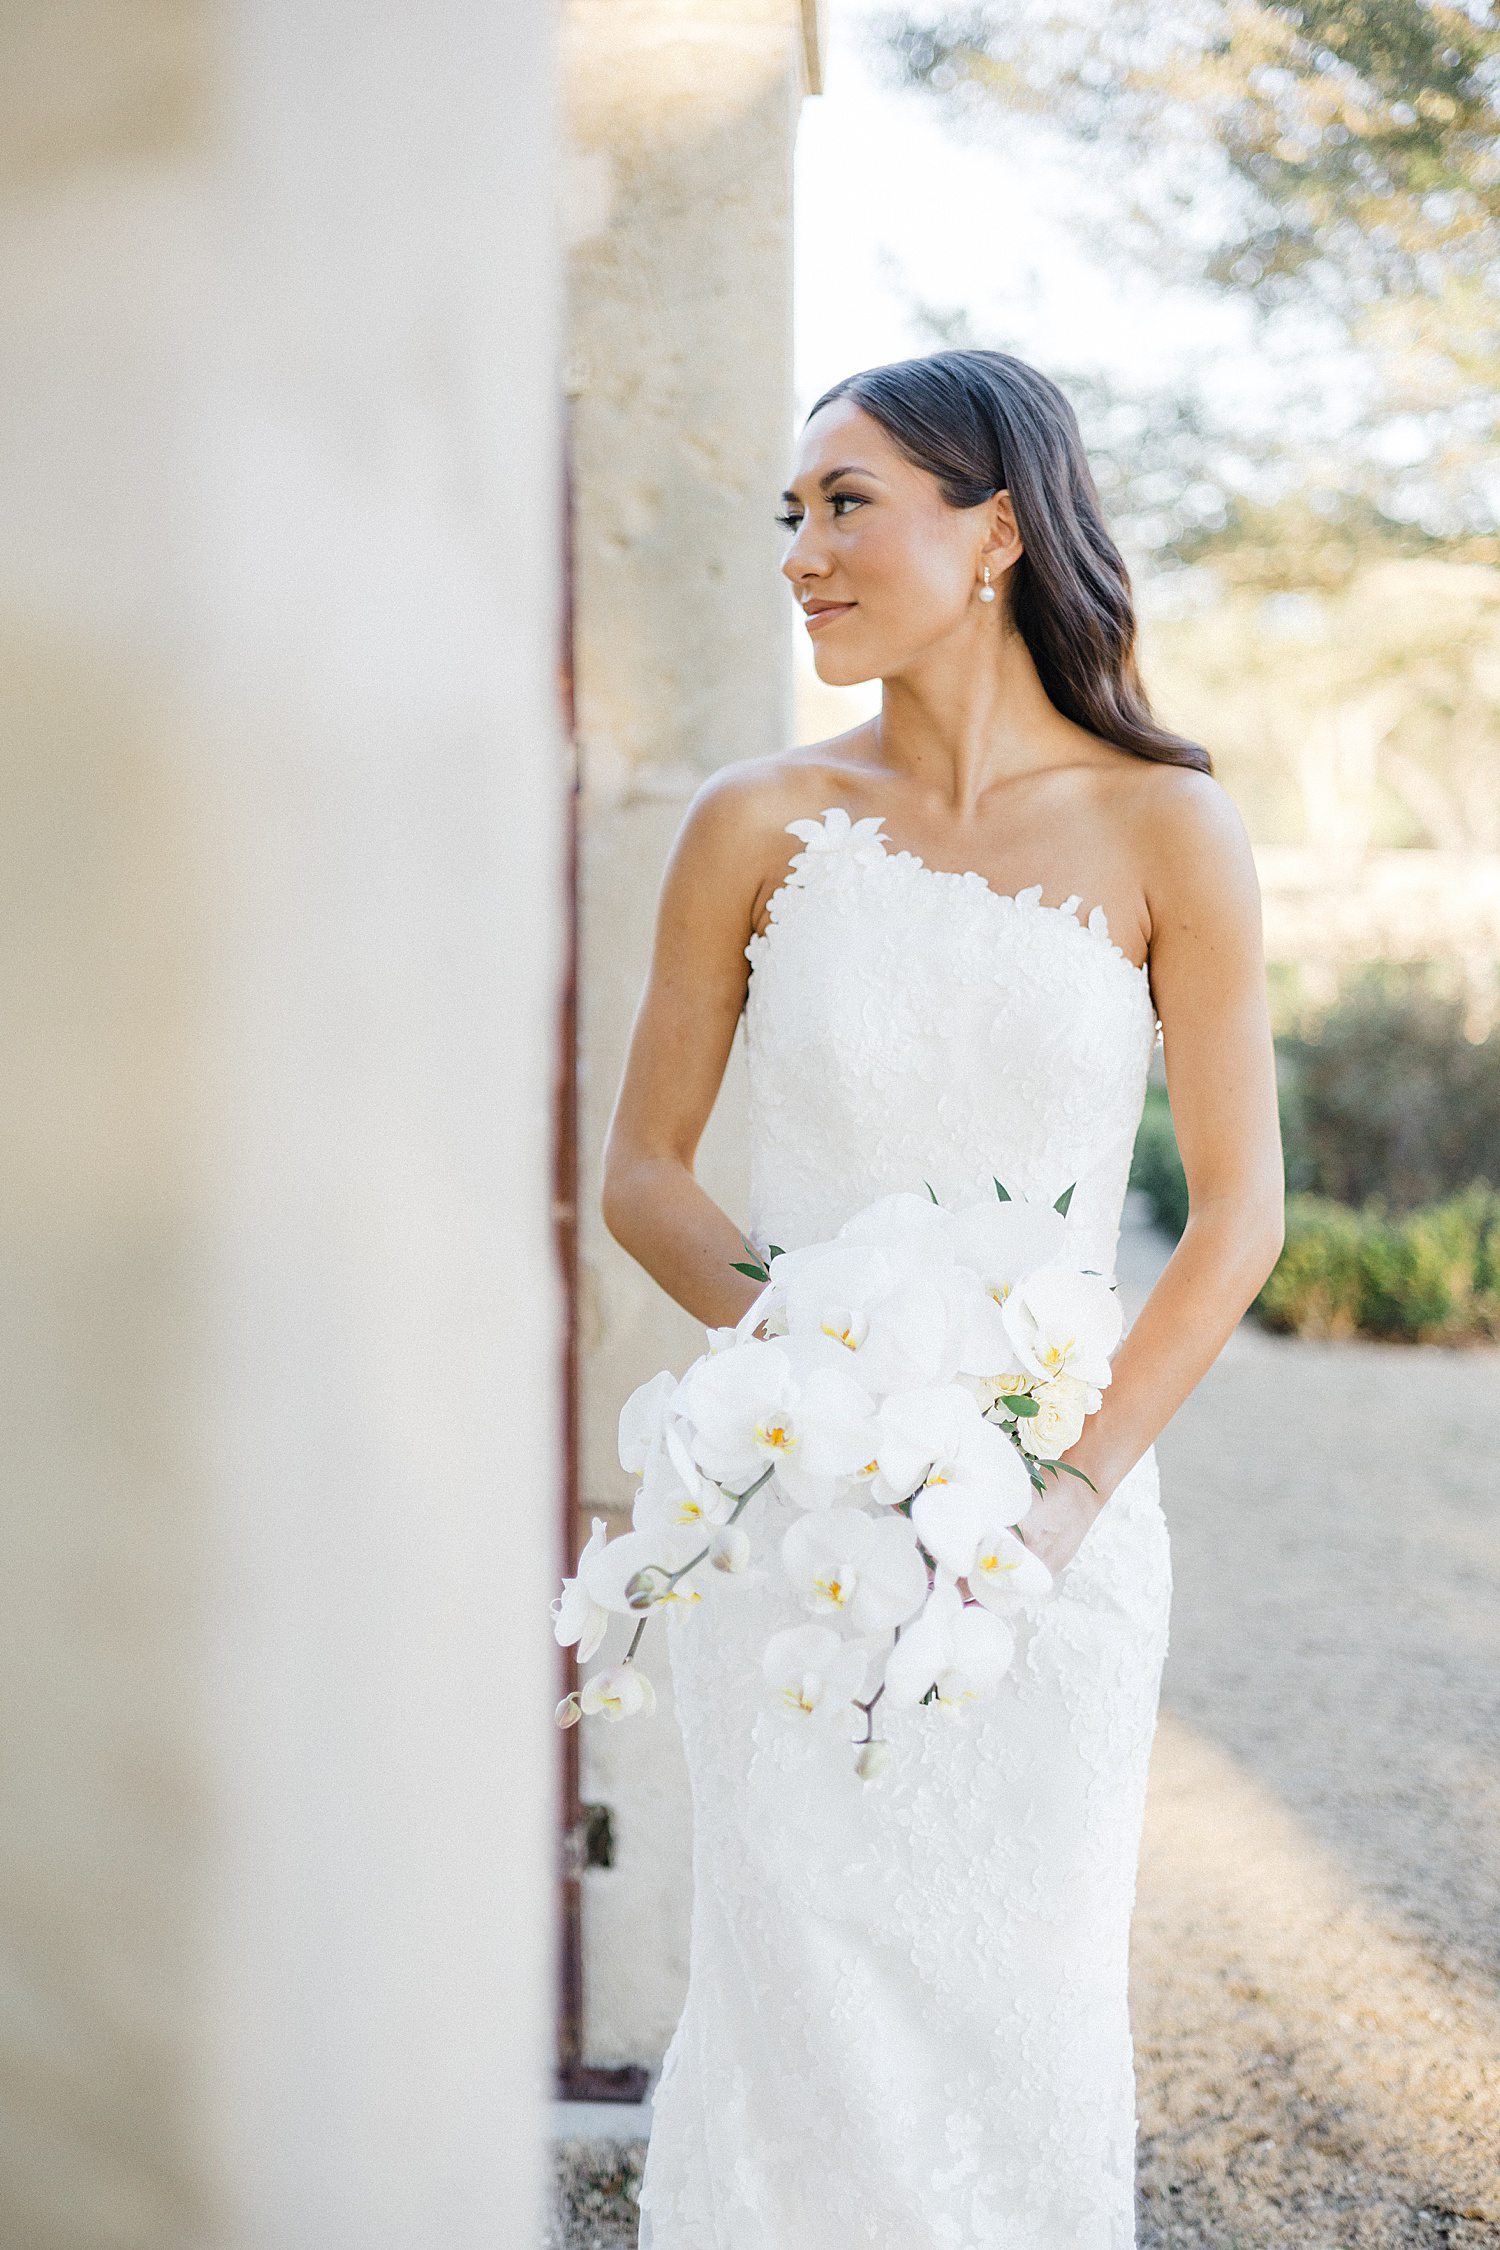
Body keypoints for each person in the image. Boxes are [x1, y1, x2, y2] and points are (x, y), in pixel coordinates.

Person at [599, 348, 1285, 2250]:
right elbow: (645, 1176)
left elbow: (1239, 1217)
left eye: (847, 503)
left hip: (1055, 1548)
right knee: (795, 2013)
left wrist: (1055, 1500)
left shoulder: (1169, 828)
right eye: (789, 514)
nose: (801, 551)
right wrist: (823, 1386)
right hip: (797, 1522)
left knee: (1019, 2015)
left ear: (994, 529)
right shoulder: (752, 822)